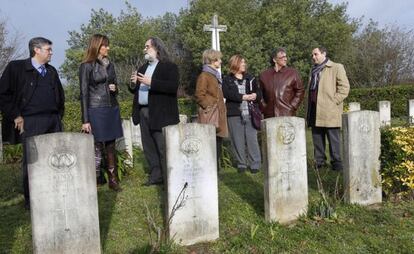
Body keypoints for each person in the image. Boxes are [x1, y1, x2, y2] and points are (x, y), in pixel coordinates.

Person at [0, 37, 65, 209]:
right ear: (36, 50)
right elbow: (3, 95)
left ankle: (53, 194)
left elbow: (60, 95)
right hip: (30, 122)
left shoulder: (51, 71)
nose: (51, 52)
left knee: (54, 159)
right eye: (48, 49)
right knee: (33, 162)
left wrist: (58, 117)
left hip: (53, 121)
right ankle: (32, 201)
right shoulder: (16, 68)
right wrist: (16, 115)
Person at [130, 37, 179, 186]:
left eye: (147, 47)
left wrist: (151, 82)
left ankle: (170, 178)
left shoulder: (169, 67)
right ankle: (156, 176)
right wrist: (133, 85)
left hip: (161, 113)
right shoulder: (142, 68)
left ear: (157, 48)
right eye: (144, 47)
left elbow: (172, 87)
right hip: (143, 111)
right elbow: (138, 91)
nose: (144, 49)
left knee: (162, 147)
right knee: (149, 147)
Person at [79, 34, 123, 191]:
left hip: (111, 107)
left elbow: (116, 85)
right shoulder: (86, 66)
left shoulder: (110, 65)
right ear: (97, 46)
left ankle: (113, 180)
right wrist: (85, 119)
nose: (108, 48)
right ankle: (94, 179)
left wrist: (115, 88)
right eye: (105, 45)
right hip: (96, 109)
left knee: (111, 145)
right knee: (96, 145)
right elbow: (83, 93)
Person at [306, 46, 350, 171]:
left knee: (333, 138)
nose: (313, 57)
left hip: (330, 110)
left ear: (323, 53)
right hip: (314, 109)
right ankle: (319, 163)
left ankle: (336, 163)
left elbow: (344, 88)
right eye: (312, 55)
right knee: (317, 137)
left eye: (316, 54)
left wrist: (333, 102)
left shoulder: (336, 67)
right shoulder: (313, 70)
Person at [222, 55, 261, 173]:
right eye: (242, 62)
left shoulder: (251, 78)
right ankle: (241, 164)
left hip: (250, 113)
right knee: (237, 140)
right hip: (234, 114)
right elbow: (227, 94)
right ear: (235, 64)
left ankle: (255, 164)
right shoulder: (227, 80)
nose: (244, 64)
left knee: (252, 139)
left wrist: (256, 96)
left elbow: (259, 92)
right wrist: (242, 97)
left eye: (244, 62)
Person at [195, 49, 228, 171]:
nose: (221, 61)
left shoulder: (214, 75)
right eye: (219, 59)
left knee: (217, 143)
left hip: (218, 114)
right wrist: (209, 107)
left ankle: (215, 171)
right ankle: (209, 171)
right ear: (213, 60)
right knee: (209, 145)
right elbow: (199, 95)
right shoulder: (204, 75)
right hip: (210, 115)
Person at [259, 48, 304, 118]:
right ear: (274, 60)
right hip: (269, 115)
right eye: (282, 57)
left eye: (286, 57)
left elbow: (300, 91)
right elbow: (259, 94)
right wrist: (264, 108)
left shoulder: (293, 73)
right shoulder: (264, 75)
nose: (285, 59)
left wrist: (292, 106)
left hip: (287, 114)